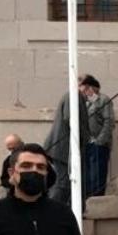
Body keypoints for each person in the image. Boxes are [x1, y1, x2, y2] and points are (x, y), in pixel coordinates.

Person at [42, 77, 91, 209]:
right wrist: (86, 136)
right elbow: (71, 119)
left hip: (63, 147)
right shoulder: (73, 96)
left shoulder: (73, 96)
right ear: (86, 87)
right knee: (63, 183)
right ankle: (51, 210)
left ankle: (72, 208)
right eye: (91, 90)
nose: (91, 96)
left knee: (66, 182)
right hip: (63, 147)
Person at [83, 76, 114, 199]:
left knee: (98, 173)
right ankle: (87, 198)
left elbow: (109, 122)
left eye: (85, 89)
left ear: (90, 88)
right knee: (88, 174)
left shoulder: (103, 100)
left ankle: (96, 198)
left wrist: (100, 141)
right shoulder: (85, 102)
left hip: (99, 143)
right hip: (87, 142)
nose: (84, 92)